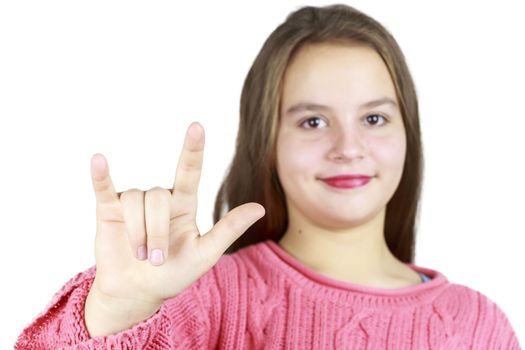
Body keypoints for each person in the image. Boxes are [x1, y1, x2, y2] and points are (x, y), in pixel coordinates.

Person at [15, 4, 520, 349]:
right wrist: (118, 308)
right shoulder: (202, 295)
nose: (348, 148)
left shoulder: (477, 327)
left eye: (374, 118)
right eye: (313, 121)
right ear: (267, 142)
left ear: (408, 132)